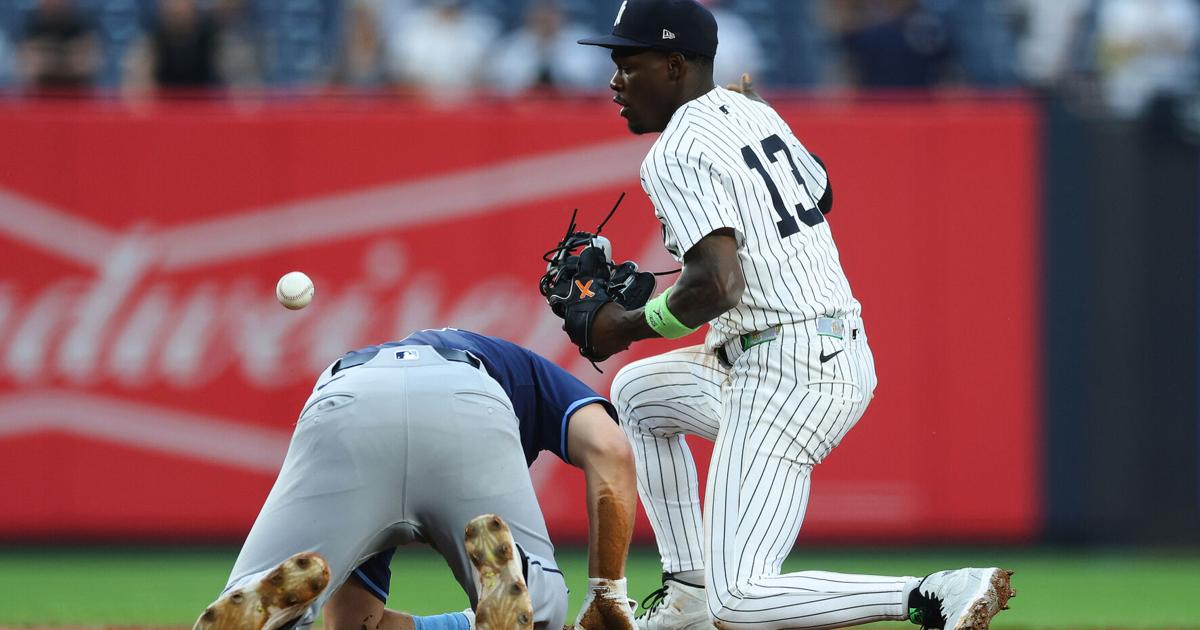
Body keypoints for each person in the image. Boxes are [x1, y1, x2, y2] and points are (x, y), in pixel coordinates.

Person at [568, 1, 1016, 629]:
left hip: (787, 369)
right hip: (815, 347)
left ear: (674, 64)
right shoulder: (750, 111)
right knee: (640, 393)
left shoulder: (674, 150)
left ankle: (932, 594)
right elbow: (822, 190)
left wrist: (624, 324)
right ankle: (686, 598)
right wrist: (751, 122)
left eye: (627, 63)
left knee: (742, 599)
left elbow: (717, 286)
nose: (614, 81)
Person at [193, 328, 640, 630]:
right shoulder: (523, 367)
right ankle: (516, 586)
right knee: (542, 609)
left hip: (349, 399)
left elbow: (355, 622)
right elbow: (610, 449)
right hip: (465, 395)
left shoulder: (385, 360)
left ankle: (262, 605)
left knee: (258, 593)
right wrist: (607, 593)